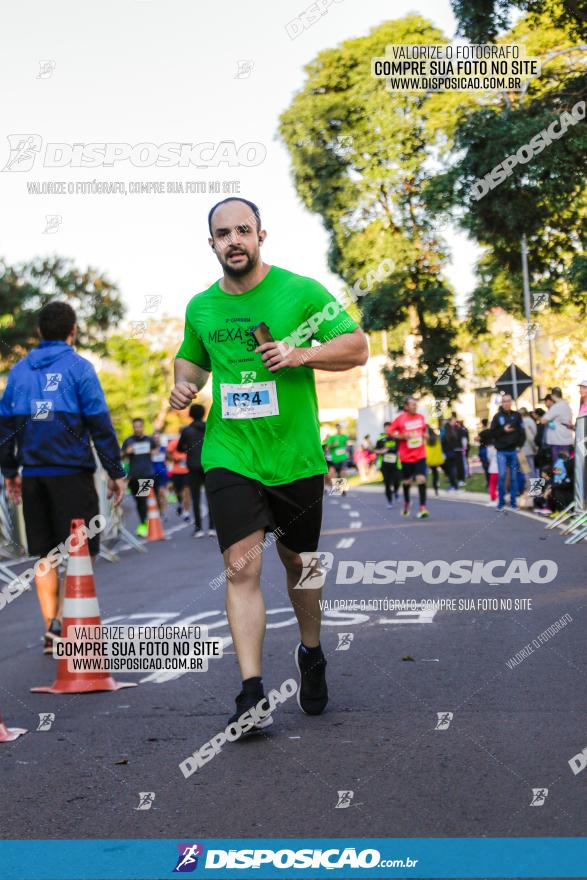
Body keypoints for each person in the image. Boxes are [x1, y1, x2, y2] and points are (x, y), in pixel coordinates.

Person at [169, 196, 368, 733]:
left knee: (300, 565)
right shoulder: (201, 306)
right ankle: (252, 692)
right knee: (242, 566)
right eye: (223, 233)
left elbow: (357, 346)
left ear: (261, 235)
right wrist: (183, 381)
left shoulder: (300, 291)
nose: (234, 240)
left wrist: (299, 353)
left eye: (243, 230)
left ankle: (311, 651)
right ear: (211, 243)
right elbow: (192, 357)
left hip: (294, 453)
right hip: (231, 452)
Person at [0, 301, 125, 650]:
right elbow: (100, 424)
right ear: (73, 331)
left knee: (45, 555)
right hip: (72, 473)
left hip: (34, 474)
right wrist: (116, 471)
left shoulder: (19, 372)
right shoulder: (79, 368)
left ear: (40, 332)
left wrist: (10, 470)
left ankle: (53, 628)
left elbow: (4, 428)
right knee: (83, 550)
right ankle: (73, 618)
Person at [177, 403, 216, 538]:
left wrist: (188, 447)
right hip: (208, 465)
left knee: (196, 498)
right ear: (204, 413)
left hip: (193, 467)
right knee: (211, 497)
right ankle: (212, 528)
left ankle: (198, 529)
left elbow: (180, 448)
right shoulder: (210, 428)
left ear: (190, 415)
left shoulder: (187, 431)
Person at [388, 397, 429, 518]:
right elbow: (390, 432)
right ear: (406, 406)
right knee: (407, 482)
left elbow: (424, 431)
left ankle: (423, 508)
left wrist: (425, 435)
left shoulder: (421, 417)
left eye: (416, 405)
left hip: (420, 454)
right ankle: (406, 503)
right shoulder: (400, 419)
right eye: (412, 405)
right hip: (406, 456)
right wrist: (402, 436)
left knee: (421, 479)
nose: (415, 407)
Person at [121, 418, 157, 537]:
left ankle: (143, 524)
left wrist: (154, 452)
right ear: (133, 427)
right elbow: (121, 456)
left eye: (139, 426)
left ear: (143, 427)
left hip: (147, 474)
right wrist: (127, 452)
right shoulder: (128, 441)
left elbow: (156, 450)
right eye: (135, 427)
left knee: (143, 499)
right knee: (138, 501)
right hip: (133, 476)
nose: (137, 429)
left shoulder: (149, 440)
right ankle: (144, 522)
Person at [489, 394, 525, 510]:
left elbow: (522, 432)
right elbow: (492, 434)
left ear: (511, 402)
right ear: (502, 403)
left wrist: (519, 446)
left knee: (514, 477)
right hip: (501, 452)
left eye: (508, 401)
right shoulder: (497, 417)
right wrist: (503, 430)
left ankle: (514, 502)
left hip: (514, 451)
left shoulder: (517, 415)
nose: (506, 403)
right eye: (504, 401)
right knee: (502, 476)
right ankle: (501, 502)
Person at [540, 387, 574, 462]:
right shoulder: (566, 405)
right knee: (565, 464)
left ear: (552, 396)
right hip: (566, 439)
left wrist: (550, 422)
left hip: (558, 441)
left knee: (558, 467)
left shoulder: (557, 406)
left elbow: (543, 420)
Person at [374, 422, 401, 507]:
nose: (388, 430)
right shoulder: (380, 439)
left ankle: (396, 492)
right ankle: (390, 501)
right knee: (387, 483)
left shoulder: (396, 438)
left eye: (390, 428)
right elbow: (375, 451)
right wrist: (381, 451)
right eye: (386, 428)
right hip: (385, 465)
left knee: (397, 481)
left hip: (396, 464)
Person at [166, 435, 191, 521]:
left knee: (186, 492)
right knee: (178, 491)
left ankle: (186, 512)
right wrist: (174, 458)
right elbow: (168, 453)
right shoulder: (174, 443)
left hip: (187, 472)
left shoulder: (190, 442)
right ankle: (180, 503)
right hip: (176, 472)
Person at [151, 431, 170, 519]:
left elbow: (169, 459)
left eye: (158, 438)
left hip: (162, 474)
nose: (156, 439)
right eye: (155, 438)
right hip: (151, 474)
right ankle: (155, 511)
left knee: (161, 493)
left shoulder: (164, 448)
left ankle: (164, 512)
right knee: (152, 494)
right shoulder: (149, 449)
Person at [440, 416, 461, 491]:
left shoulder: (444, 433)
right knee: (452, 469)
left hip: (446, 453)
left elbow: (441, 443)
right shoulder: (453, 433)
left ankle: (453, 485)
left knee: (449, 470)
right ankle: (454, 485)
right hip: (453, 453)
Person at [326, 424, 349, 489]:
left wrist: (347, 451)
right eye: (337, 428)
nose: (338, 429)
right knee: (335, 474)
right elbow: (328, 448)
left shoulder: (344, 437)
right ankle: (337, 488)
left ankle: (342, 488)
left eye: (339, 428)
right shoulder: (332, 438)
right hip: (335, 458)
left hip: (343, 457)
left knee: (343, 472)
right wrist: (333, 444)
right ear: (335, 429)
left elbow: (346, 445)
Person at [519, 407, 538, 478]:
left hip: (521, 449)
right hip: (530, 448)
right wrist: (535, 446)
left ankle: (528, 487)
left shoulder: (520, 422)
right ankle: (535, 489)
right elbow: (532, 436)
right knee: (533, 470)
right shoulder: (530, 421)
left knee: (525, 471)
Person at [425, 426, 444, 496]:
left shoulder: (425, 439)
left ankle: (424, 488)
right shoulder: (437, 438)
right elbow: (439, 449)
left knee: (424, 474)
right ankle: (436, 489)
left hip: (427, 460)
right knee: (435, 475)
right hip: (435, 460)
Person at [475, 418, 492, 486]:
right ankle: (492, 481)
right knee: (491, 466)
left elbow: (476, 439)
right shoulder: (490, 431)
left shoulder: (482, 432)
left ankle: (488, 482)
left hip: (484, 450)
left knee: (486, 467)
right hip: (491, 449)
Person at [486, 441, 499, 506]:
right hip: (501, 468)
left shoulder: (491, 447)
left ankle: (494, 499)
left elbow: (489, 457)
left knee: (492, 485)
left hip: (494, 468)